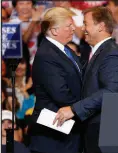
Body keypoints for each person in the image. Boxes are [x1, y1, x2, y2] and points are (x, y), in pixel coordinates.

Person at [54, 6, 118, 153]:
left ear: (101, 26)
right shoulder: (100, 53)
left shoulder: (111, 54)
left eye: (86, 23)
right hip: (98, 129)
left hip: (107, 131)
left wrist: (74, 109)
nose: (82, 28)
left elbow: (110, 91)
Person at [29, 7, 82, 153]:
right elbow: (61, 93)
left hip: (67, 131)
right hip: (52, 136)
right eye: (69, 26)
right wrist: (86, 107)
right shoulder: (47, 55)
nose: (73, 29)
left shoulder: (66, 50)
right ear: (54, 30)